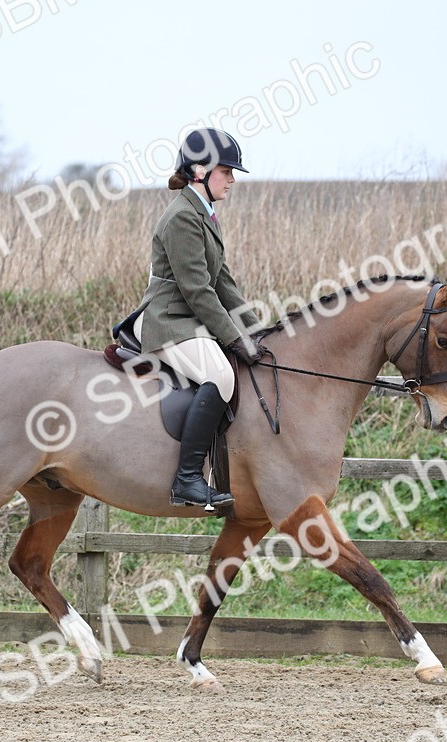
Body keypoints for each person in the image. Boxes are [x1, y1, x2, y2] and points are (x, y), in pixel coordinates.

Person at [119, 128, 263, 511]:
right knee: (220, 375)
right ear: (199, 170)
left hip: (188, 319)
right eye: (226, 171)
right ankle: (187, 480)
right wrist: (234, 339)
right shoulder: (183, 216)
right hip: (169, 320)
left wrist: (254, 329)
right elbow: (198, 290)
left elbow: (223, 281)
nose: (232, 180)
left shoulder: (204, 214)